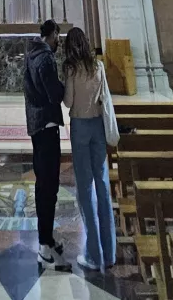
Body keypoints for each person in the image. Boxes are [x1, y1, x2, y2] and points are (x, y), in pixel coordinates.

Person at [63, 27, 117, 272]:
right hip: (98, 126)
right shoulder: (99, 66)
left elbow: (68, 102)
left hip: (81, 127)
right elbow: (104, 97)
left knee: (85, 187)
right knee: (103, 184)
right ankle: (110, 253)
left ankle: (93, 254)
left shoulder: (72, 68)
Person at [24, 19, 65, 267]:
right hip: (48, 125)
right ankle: (43, 245)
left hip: (36, 125)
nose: (59, 41)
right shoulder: (47, 58)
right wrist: (66, 87)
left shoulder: (30, 55)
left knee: (44, 183)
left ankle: (47, 238)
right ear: (54, 34)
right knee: (49, 186)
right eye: (58, 36)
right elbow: (55, 94)